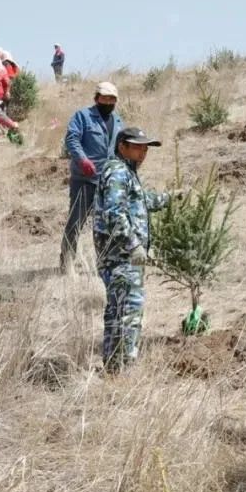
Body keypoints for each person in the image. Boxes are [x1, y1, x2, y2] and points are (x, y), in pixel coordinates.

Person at [92, 127, 172, 372]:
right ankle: (125, 368)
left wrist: (170, 198)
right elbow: (115, 214)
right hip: (121, 257)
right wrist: (134, 245)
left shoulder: (126, 172)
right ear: (122, 147)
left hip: (123, 256)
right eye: (137, 146)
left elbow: (140, 201)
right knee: (129, 310)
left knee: (117, 310)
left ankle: (113, 367)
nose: (143, 152)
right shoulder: (118, 171)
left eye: (145, 148)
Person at [60, 81, 124, 271]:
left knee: (104, 224)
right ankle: (67, 262)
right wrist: (82, 160)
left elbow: (121, 148)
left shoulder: (118, 122)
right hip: (84, 180)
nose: (108, 102)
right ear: (97, 98)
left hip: (107, 182)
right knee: (76, 222)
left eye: (112, 99)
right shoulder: (83, 116)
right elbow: (72, 139)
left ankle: (103, 262)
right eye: (104, 98)